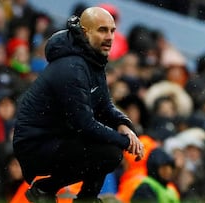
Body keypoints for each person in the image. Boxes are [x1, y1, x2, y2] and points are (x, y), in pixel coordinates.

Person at [13, 7, 144, 203]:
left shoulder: (92, 60)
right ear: (84, 33)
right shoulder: (72, 67)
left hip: (57, 137)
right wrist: (124, 142)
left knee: (109, 146)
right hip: (36, 144)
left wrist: (124, 126)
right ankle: (48, 190)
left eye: (112, 30)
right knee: (110, 152)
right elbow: (84, 123)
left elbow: (105, 106)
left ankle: (83, 197)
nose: (109, 37)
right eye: (102, 30)